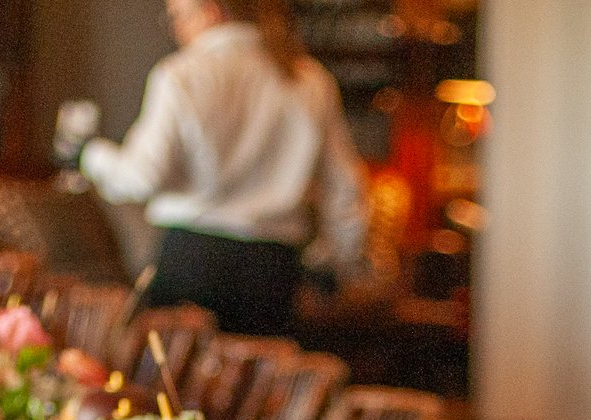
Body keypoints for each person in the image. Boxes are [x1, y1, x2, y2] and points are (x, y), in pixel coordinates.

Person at [57, 0, 366, 338]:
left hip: (194, 262)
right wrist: (337, 265)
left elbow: (142, 176)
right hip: (273, 270)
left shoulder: (182, 73)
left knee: (175, 386)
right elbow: (345, 189)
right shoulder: (310, 79)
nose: (175, 28)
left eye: (178, 15)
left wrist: (88, 154)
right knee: (262, 386)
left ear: (212, 11)